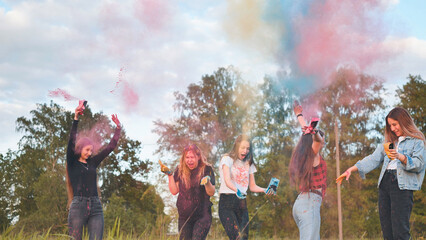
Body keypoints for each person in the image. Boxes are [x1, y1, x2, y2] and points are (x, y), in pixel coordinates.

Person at [337, 107, 425, 240]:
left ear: (404, 121)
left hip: (401, 186)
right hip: (384, 184)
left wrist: (400, 156)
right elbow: (372, 159)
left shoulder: (417, 142)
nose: (393, 128)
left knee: (400, 232)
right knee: (387, 232)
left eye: (395, 124)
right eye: (390, 126)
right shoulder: (389, 143)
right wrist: (351, 169)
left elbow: (419, 164)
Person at [66, 100, 121, 240]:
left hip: (96, 206)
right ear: (80, 149)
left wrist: (118, 128)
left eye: (91, 150)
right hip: (78, 206)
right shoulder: (72, 162)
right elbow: (71, 140)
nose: (90, 153)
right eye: (87, 150)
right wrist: (76, 118)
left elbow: (110, 148)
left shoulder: (92, 162)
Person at [218, 135, 274, 240]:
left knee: (244, 238)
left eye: (248, 148)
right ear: (236, 146)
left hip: (242, 204)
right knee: (236, 237)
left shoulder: (249, 164)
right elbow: (227, 180)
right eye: (243, 147)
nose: (245, 151)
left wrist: (265, 189)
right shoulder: (227, 159)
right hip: (227, 203)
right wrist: (237, 190)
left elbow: (252, 186)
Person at [289, 103, 327, 240]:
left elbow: (307, 134)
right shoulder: (314, 154)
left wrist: (299, 116)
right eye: (323, 140)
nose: (323, 142)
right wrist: (315, 132)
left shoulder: (305, 156)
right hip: (309, 204)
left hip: (302, 203)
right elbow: (315, 139)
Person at [163, 144, 215, 240]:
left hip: (202, 216)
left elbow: (211, 192)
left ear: (198, 157)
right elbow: (174, 191)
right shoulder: (180, 170)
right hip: (184, 217)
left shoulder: (206, 169)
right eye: (187, 157)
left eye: (192, 157)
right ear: (184, 158)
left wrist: (207, 182)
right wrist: (170, 175)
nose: (189, 160)